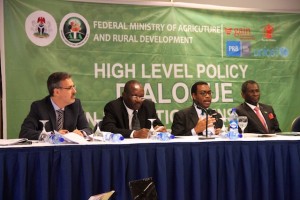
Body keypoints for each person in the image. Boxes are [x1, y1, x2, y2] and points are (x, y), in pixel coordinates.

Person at [19, 72, 92, 140]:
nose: (74, 91)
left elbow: (87, 129)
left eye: (74, 86)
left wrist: (81, 133)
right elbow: (25, 133)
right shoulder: (39, 107)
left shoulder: (76, 105)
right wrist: (52, 135)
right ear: (56, 92)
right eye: (69, 88)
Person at [101, 80, 166, 138]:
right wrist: (134, 133)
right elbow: (107, 129)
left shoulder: (148, 106)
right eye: (134, 96)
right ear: (124, 95)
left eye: (141, 97)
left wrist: (159, 129)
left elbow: (158, 125)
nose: (138, 100)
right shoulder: (114, 107)